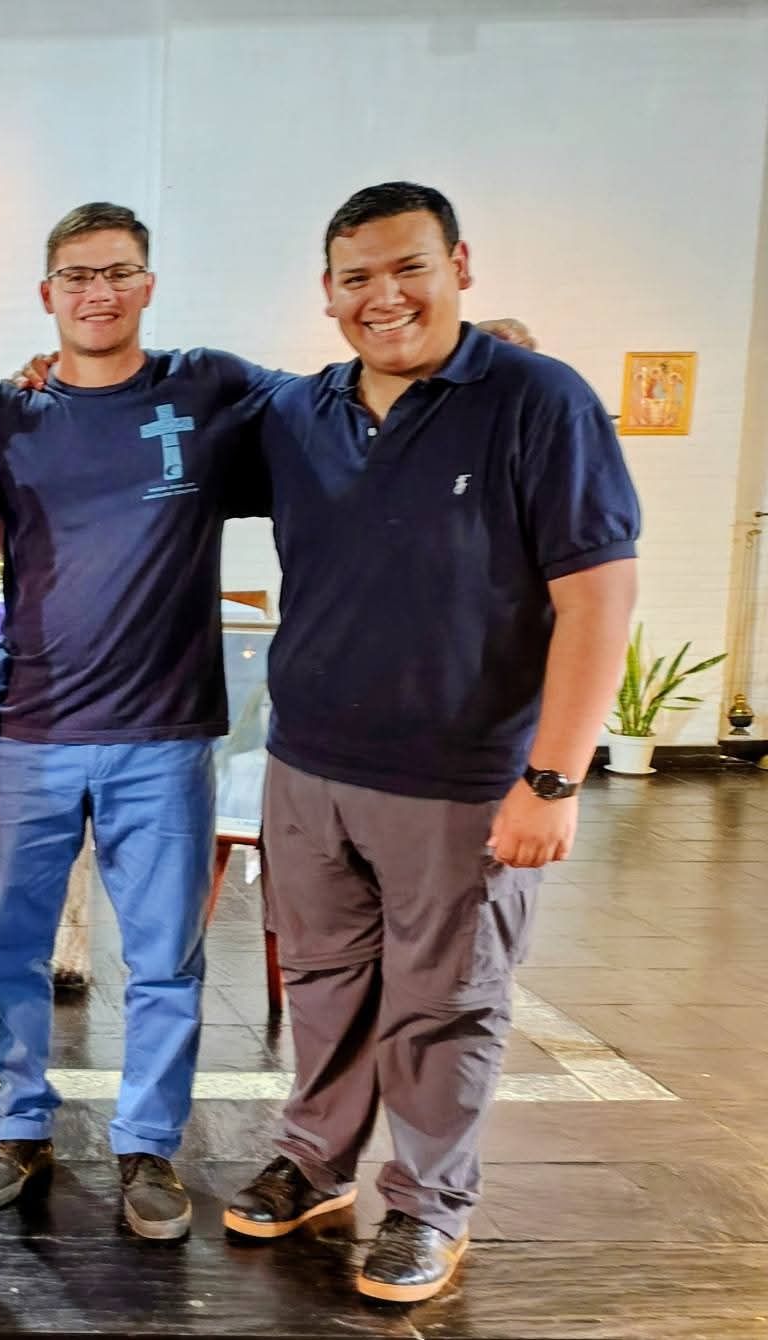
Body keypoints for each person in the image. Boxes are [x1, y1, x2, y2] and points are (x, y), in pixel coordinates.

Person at [226, 182, 638, 1303]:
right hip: (309, 767)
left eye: (408, 267)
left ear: (459, 264)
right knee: (324, 984)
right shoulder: (298, 413)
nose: (385, 296)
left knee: (445, 1001)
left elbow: (598, 597)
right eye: (356, 277)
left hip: (460, 780)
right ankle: (316, 1160)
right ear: (326, 293)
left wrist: (552, 778)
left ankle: (427, 1202)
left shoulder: (538, 400)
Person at [0, 203, 283, 1239]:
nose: (96, 292)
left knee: (164, 959)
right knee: (10, 945)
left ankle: (147, 1143)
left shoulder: (210, 388)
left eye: (116, 273)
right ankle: (18, 1122)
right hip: (29, 726)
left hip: (163, 734)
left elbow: (339, 406)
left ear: (147, 284)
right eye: (76, 276)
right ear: (45, 292)